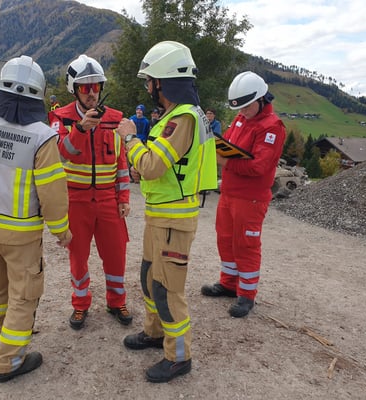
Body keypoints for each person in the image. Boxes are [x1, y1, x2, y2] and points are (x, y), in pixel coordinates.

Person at [0, 55, 72, 383]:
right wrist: (61, 231)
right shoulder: (42, 136)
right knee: (24, 296)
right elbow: (52, 192)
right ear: (39, 94)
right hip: (22, 235)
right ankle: (9, 360)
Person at [116, 41, 217, 383]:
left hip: (174, 219)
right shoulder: (177, 116)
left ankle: (179, 357)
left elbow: (153, 165)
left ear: (162, 81)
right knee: (149, 277)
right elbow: (162, 167)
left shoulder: (183, 118)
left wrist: (130, 140)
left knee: (166, 288)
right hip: (161, 215)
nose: (148, 87)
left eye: (150, 81)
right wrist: (141, 166)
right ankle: (155, 332)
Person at [48, 54, 132, 330]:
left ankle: (116, 301)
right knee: (78, 257)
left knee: (116, 255)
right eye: (85, 87)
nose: (92, 93)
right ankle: (80, 304)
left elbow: (121, 163)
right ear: (74, 89)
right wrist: (81, 129)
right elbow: (61, 154)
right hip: (76, 202)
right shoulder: (60, 118)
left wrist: (123, 198)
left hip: (108, 201)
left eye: (96, 86)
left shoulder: (115, 119)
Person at [201, 71, 286, 318]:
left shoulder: (272, 127)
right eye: (240, 107)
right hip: (229, 192)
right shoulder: (241, 118)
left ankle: (247, 295)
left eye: (247, 106)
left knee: (246, 245)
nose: (243, 111)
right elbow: (228, 143)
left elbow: (259, 166)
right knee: (226, 239)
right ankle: (229, 283)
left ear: (261, 99)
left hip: (251, 198)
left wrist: (226, 162)